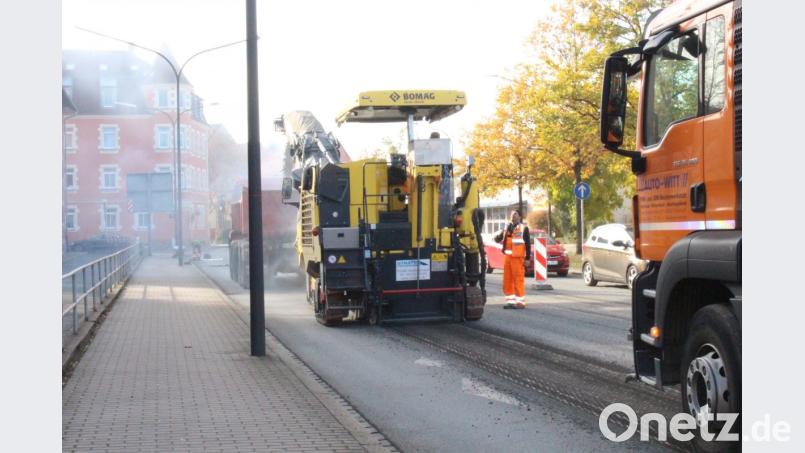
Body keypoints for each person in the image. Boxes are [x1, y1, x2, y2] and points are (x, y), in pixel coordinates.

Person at [494, 209, 531, 308]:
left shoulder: (524, 228)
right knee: (507, 280)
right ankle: (510, 301)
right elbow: (499, 239)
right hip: (508, 258)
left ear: (519, 217)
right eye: (512, 214)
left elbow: (527, 244)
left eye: (515, 214)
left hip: (518, 258)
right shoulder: (507, 227)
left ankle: (520, 302)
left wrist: (527, 258)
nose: (513, 216)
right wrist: (498, 236)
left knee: (518, 279)